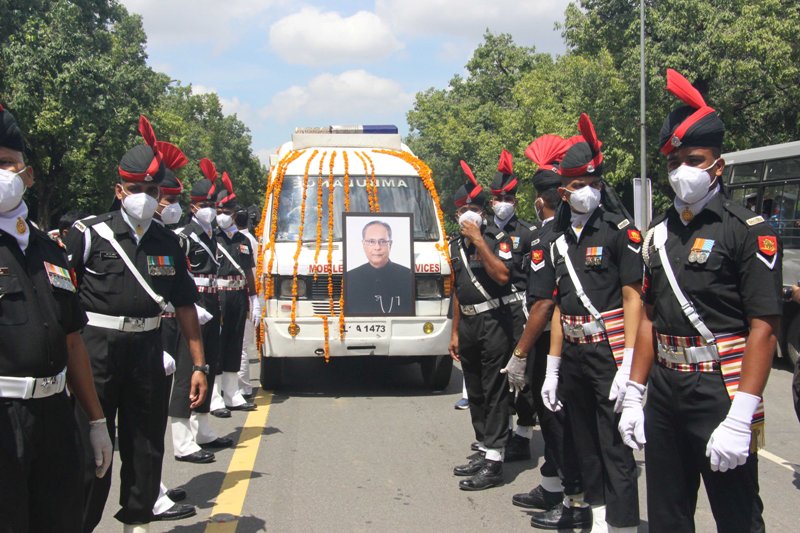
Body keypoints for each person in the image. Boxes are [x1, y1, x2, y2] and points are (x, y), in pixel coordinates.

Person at [618, 68, 783, 533]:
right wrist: (634, 392)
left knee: (737, 517)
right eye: (674, 164)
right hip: (666, 388)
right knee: (668, 516)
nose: (682, 173)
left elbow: (764, 328)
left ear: (718, 165)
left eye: (694, 160)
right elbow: (649, 319)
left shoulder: (747, 232)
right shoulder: (659, 234)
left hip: (720, 389)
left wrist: (742, 413)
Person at [65, 115, 207, 533]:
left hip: (145, 351)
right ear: (119, 191)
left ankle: (138, 525)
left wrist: (198, 365)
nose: (144, 198)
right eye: (135, 190)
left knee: (145, 447)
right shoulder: (89, 235)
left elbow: (184, 305)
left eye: (151, 191)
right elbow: (59, 298)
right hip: (95, 352)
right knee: (92, 450)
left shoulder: (168, 241)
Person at [0, 103, 112, 533]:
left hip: (55, 415)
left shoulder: (49, 251)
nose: (2, 172)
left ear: (27, 175)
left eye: (8, 163)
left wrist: (97, 420)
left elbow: (72, 340)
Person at [530, 114, 641, 532]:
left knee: (614, 446)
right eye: (580, 186)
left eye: (595, 185)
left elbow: (633, 300)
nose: (589, 193)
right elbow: (560, 307)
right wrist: (553, 369)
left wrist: (629, 365)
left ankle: (623, 524)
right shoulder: (559, 241)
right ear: (564, 192)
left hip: (609, 351)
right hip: (573, 352)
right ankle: (596, 516)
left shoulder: (619, 233)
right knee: (583, 444)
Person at [507, 134, 572, 514]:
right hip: (560, 339)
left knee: (556, 420)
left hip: (552, 342)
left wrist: (520, 352)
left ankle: (568, 492)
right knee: (553, 420)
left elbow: (544, 304)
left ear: (538, 198)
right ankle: (552, 486)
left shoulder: (545, 238)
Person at [448, 160, 515, 491]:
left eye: (474, 207)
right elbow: (458, 291)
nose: (469, 213)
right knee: (474, 389)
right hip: (470, 322)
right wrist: (456, 331)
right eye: (464, 209)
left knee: (493, 390)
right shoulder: (454, 245)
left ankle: (496, 459)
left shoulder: (495, 237)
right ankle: (483, 447)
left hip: (494, 321)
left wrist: (479, 241)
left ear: (484, 210)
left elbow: (502, 275)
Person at [149, 147, 198, 521]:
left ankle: (155, 486)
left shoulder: (168, 238)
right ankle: (150, 491)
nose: (170, 206)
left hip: (164, 324)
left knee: (150, 416)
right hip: (140, 331)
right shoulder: (98, 233)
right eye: (166, 199)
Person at [172, 158, 231, 457]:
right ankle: (182, 439)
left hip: (213, 300)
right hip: (191, 303)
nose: (210, 207)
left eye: (212, 201)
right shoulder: (183, 236)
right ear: (194, 207)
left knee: (208, 363)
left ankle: (202, 428)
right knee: (188, 368)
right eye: (205, 202)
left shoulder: (213, 235)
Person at [487, 149, 537, 462]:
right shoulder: (481, 232)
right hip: (491, 310)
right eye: (498, 197)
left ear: (516, 200)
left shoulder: (528, 233)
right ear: (491, 201)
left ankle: (524, 432)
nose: (502, 201)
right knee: (494, 375)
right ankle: (498, 432)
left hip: (520, 308)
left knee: (523, 374)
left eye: (508, 196)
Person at [211, 171, 259, 413]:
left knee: (235, 341)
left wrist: (253, 297)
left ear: (234, 213)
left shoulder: (243, 239)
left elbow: (249, 270)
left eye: (226, 212)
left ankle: (232, 393)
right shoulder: (210, 237)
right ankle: (215, 396)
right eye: (219, 212)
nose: (222, 217)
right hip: (218, 294)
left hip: (239, 294)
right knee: (218, 345)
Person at [344, 220, 414, 316]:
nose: (377, 247)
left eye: (382, 241)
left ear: (390, 244)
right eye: (371, 241)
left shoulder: (408, 276)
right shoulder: (349, 278)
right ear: (363, 245)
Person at [235, 208, 259, 398]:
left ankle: (242, 388)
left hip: (245, 294)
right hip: (249, 294)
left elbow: (250, 272)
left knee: (240, 344)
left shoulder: (243, 241)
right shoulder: (251, 239)